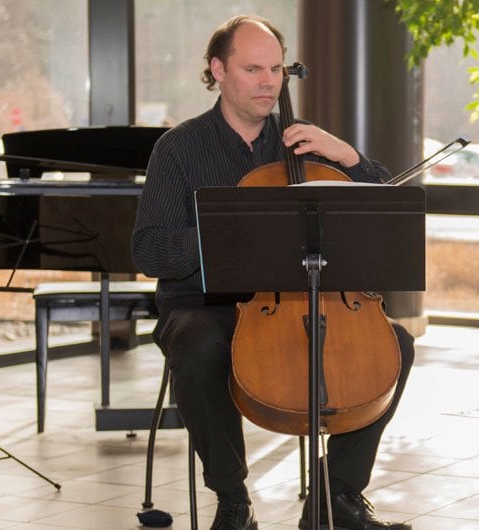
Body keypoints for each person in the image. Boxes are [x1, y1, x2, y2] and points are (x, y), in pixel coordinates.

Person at [131, 15, 413, 530]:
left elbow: (386, 208)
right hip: (207, 306)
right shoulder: (177, 149)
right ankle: (233, 498)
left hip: (303, 299)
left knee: (396, 343)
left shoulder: (304, 144)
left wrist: (348, 156)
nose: (268, 82)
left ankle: (337, 495)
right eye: (253, 69)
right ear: (218, 70)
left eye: (277, 69)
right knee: (197, 346)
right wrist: (228, 232)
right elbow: (149, 252)